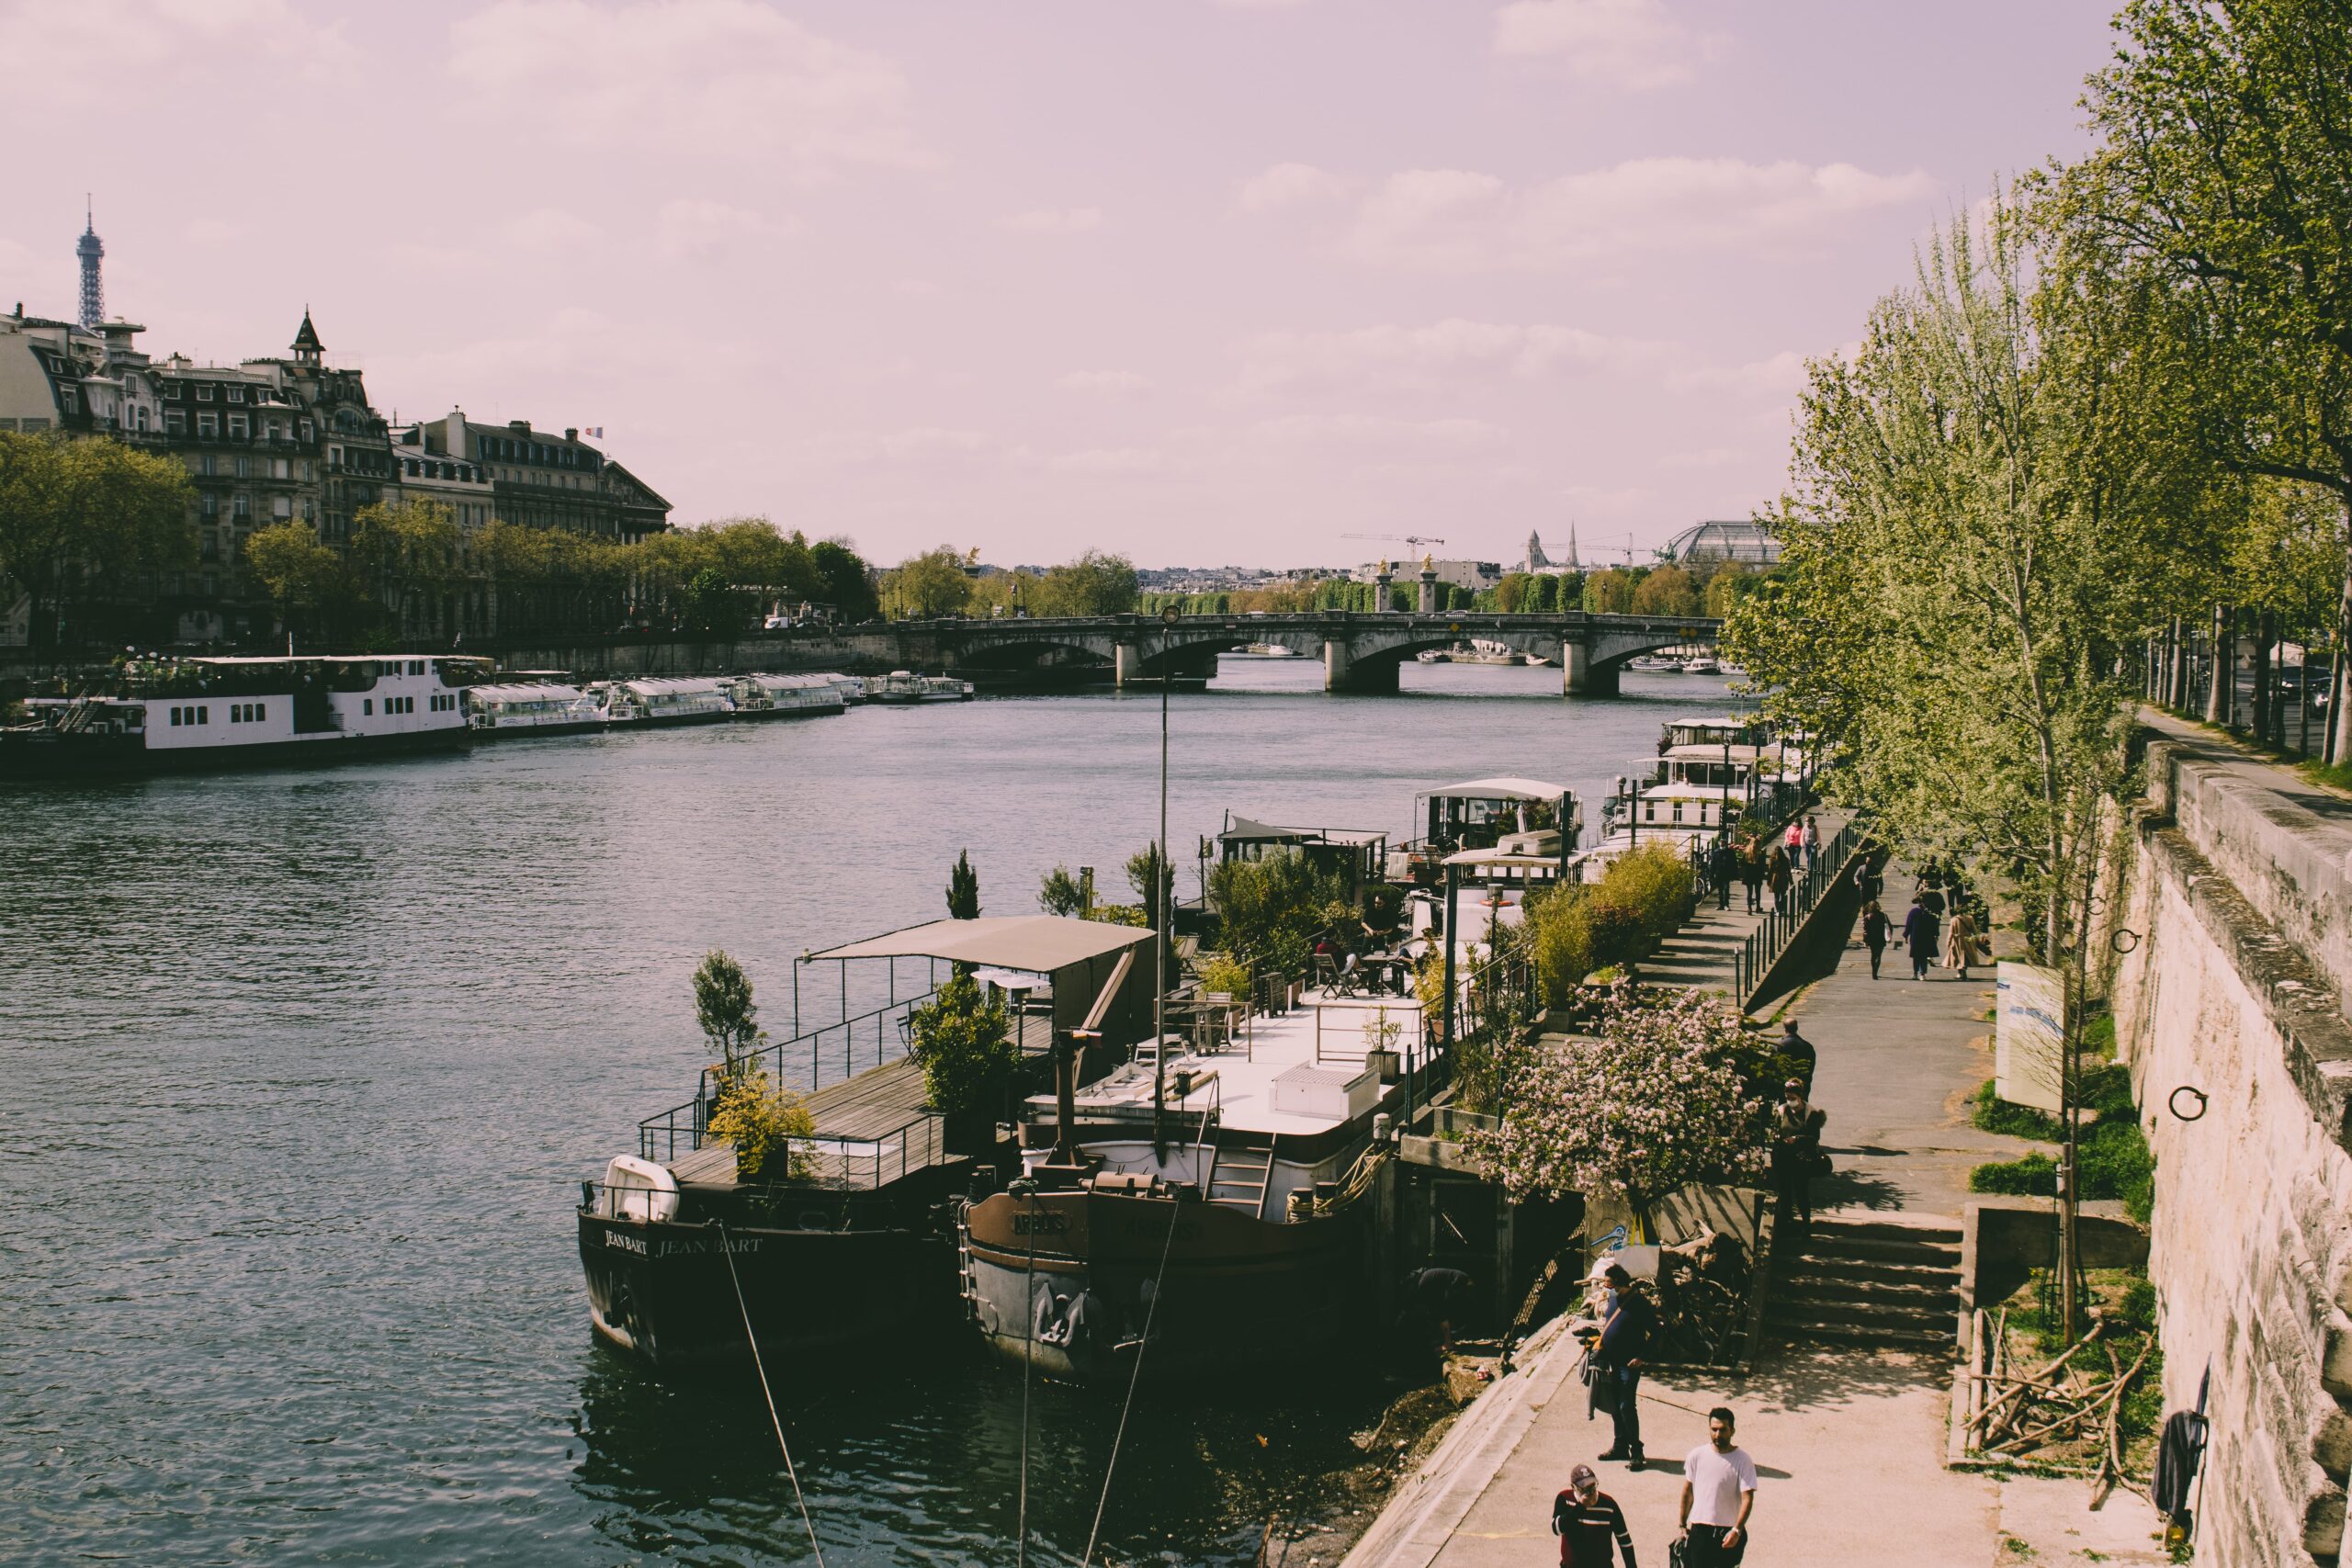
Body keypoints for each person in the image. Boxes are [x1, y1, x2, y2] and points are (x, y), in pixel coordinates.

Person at [1679, 1407, 1758, 1566]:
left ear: (1732, 1431)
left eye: (1723, 1430)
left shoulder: (1743, 1460)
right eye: (1714, 1429)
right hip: (1700, 1532)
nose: (1717, 1434)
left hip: (1729, 1532)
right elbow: (1688, 1492)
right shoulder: (1696, 1455)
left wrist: (1737, 1530)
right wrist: (1682, 1524)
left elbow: (1747, 1499)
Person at [1596, 1264, 1654, 1469]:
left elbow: (1657, 1333)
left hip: (1629, 1364)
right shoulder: (1613, 1298)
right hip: (1611, 1361)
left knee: (1626, 1406)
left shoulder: (1639, 1303)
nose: (1607, 1288)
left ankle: (1636, 1451)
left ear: (1620, 1283)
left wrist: (1641, 1357)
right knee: (1614, 1405)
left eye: (1610, 1284)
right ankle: (1620, 1446)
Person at [1552, 1462, 1638, 1567]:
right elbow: (1556, 1529)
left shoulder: (1609, 1504)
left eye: (1592, 1486)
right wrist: (1580, 1507)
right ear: (1573, 1487)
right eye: (1584, 1488)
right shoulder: (1564, 1499)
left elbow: (1624, 1539)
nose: (1590, 1492)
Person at [1770, 1080, 1818, 1225]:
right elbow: (1775, 1129)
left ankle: (1806, 1224)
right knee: (1784, 1192)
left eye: (1793, 1098)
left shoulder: (1810, 1112)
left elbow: (1814, 1137)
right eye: (1787, 1098)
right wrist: (1776, 1136)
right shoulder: (1782, 1111)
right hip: (1783, 1157)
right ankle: (1786, 1222)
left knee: (1801, 1192)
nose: (1790, 1101)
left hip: (1801, 1158)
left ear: (1800, 1096)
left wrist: (1797, 1139)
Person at [1903, 895, 1941, 982]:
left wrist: (1906, 935)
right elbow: (1935, 925)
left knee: (1916, 955)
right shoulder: (1930, 913)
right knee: (1924, 956)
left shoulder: (1913, 912)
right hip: (1927, 937)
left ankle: (1915, 973)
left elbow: (1908, 925)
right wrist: (1936, 934)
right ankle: (1922, 974)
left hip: (1915, 936)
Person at [1775, 1018, 1816, 1089]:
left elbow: (1774, 1065)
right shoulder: (1807, 1046)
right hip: (1802, 1083)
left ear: (1785, 1029)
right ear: (1797, 1028)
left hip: (1783, 1083)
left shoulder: (1778, 1046)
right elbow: (1811, 1065)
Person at [1944, 905, 1983, 981]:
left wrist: (1948, 943)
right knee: (1966, 956)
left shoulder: (1954, 920)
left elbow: (1950, 933)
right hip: (1967, 939)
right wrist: (1978, 939)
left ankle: (1960, 973)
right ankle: (1964, 969)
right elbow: (1974, 930)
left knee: (1958, 956)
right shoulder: (1970, 918)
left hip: (1957, 940)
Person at [1860, 898, 1891, 980]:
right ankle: (1875, 971)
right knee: (1879, 955)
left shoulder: (1867, 917)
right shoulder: (1883, 915)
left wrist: (1865, 940)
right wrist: (1889, 936)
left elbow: (1865, 930)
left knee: (1873, 955)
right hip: (1881, 938)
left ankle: (1874, 970)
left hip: (1872, 939)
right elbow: (1889, 926)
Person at [1708, 835, 1736, 911]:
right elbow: (1712, 864)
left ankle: (1726, 905)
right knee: (1720, 890)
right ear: (1719, 843)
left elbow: (1734, 864)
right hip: (1718, 873)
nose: (1722, 843)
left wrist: (1734, 874)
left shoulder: (1730, 852)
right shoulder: (1716, 852)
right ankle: (1721, 905)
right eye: (1721, 842)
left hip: (1727, 873)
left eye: (1723, 842)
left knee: (1726, 889)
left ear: (1725, 843)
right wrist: (1711, 875)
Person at [1739, 837, 1766, 914]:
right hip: (1757, 873)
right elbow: (1762, 865)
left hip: (1748, 873)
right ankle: (1758, 907)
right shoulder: (1760, 852)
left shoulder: (1746, 851)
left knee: (1749, 892)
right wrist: (1762, 874)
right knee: (1758, 892)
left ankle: (1749, 908)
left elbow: (1742, 863)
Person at [1765, 846, 1792, 913]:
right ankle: (1782, 909)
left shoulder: (1772, 860)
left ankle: (1778, 910)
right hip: (1783, 878)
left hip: (1775, 879)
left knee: (1776, 896)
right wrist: (1791, 881)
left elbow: (1770, 871)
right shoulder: (1785, 859)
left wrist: (1768, 881)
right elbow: (1788, 871)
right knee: (1783, 895)